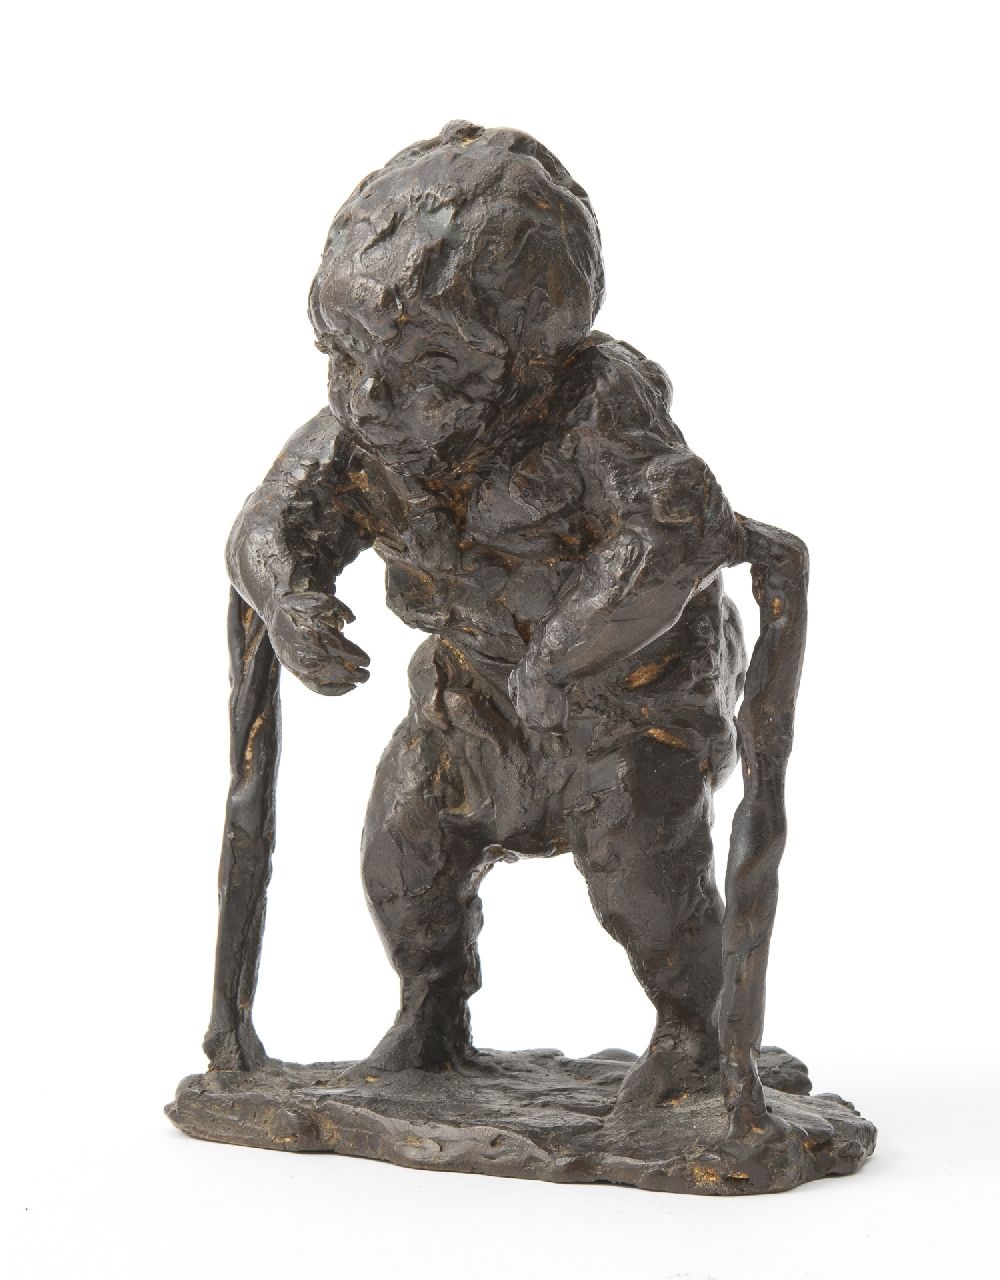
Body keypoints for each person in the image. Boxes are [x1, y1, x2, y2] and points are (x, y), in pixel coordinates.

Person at [221, 122, 809, 1138]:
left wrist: (568, 652)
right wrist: (289, 600)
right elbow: (269, 526)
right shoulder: (365, 435)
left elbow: (675, 533)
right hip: (471, 698)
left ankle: (692, 1035)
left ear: (530, 360)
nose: (370, 395)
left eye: (426, 367)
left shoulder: (596, 410)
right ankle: (431, 1007)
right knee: (403, 846)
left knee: (644, 869)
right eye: (344, 353)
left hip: (631, 696)